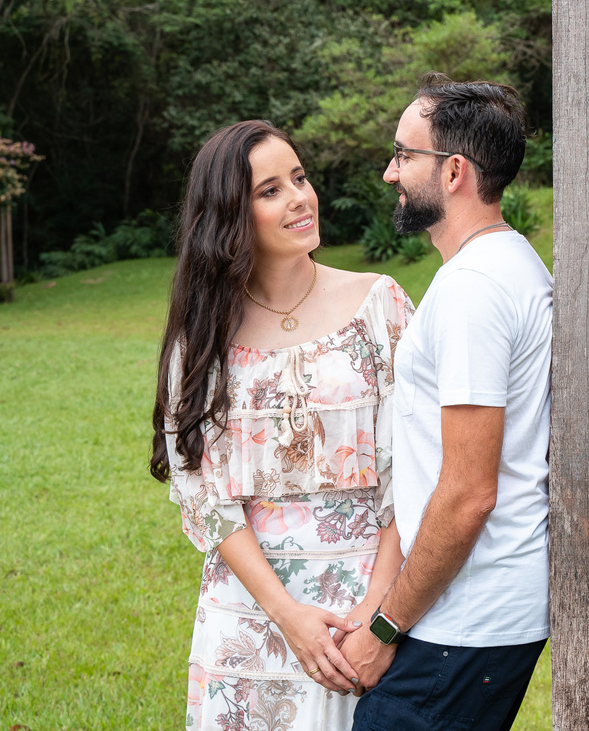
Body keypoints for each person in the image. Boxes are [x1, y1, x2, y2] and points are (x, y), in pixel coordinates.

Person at [150, 120, 414, 730]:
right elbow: (201, 489)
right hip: (247, 616)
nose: (299, 198)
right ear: (229, 217)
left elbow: (418, 465)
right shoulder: (203, 333)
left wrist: (378, 616)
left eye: (299, 178)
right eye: (270, 190)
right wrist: (286, 615)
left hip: (363, 611)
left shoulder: (380, 304)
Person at [341, 75, 552, 731]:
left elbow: (468, 494)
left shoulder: (473, 290)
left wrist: (383, 628)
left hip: (464, 619)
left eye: (404, 155)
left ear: (454, 171)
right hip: (469, 613)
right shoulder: (505, 264)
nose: (389, 173)